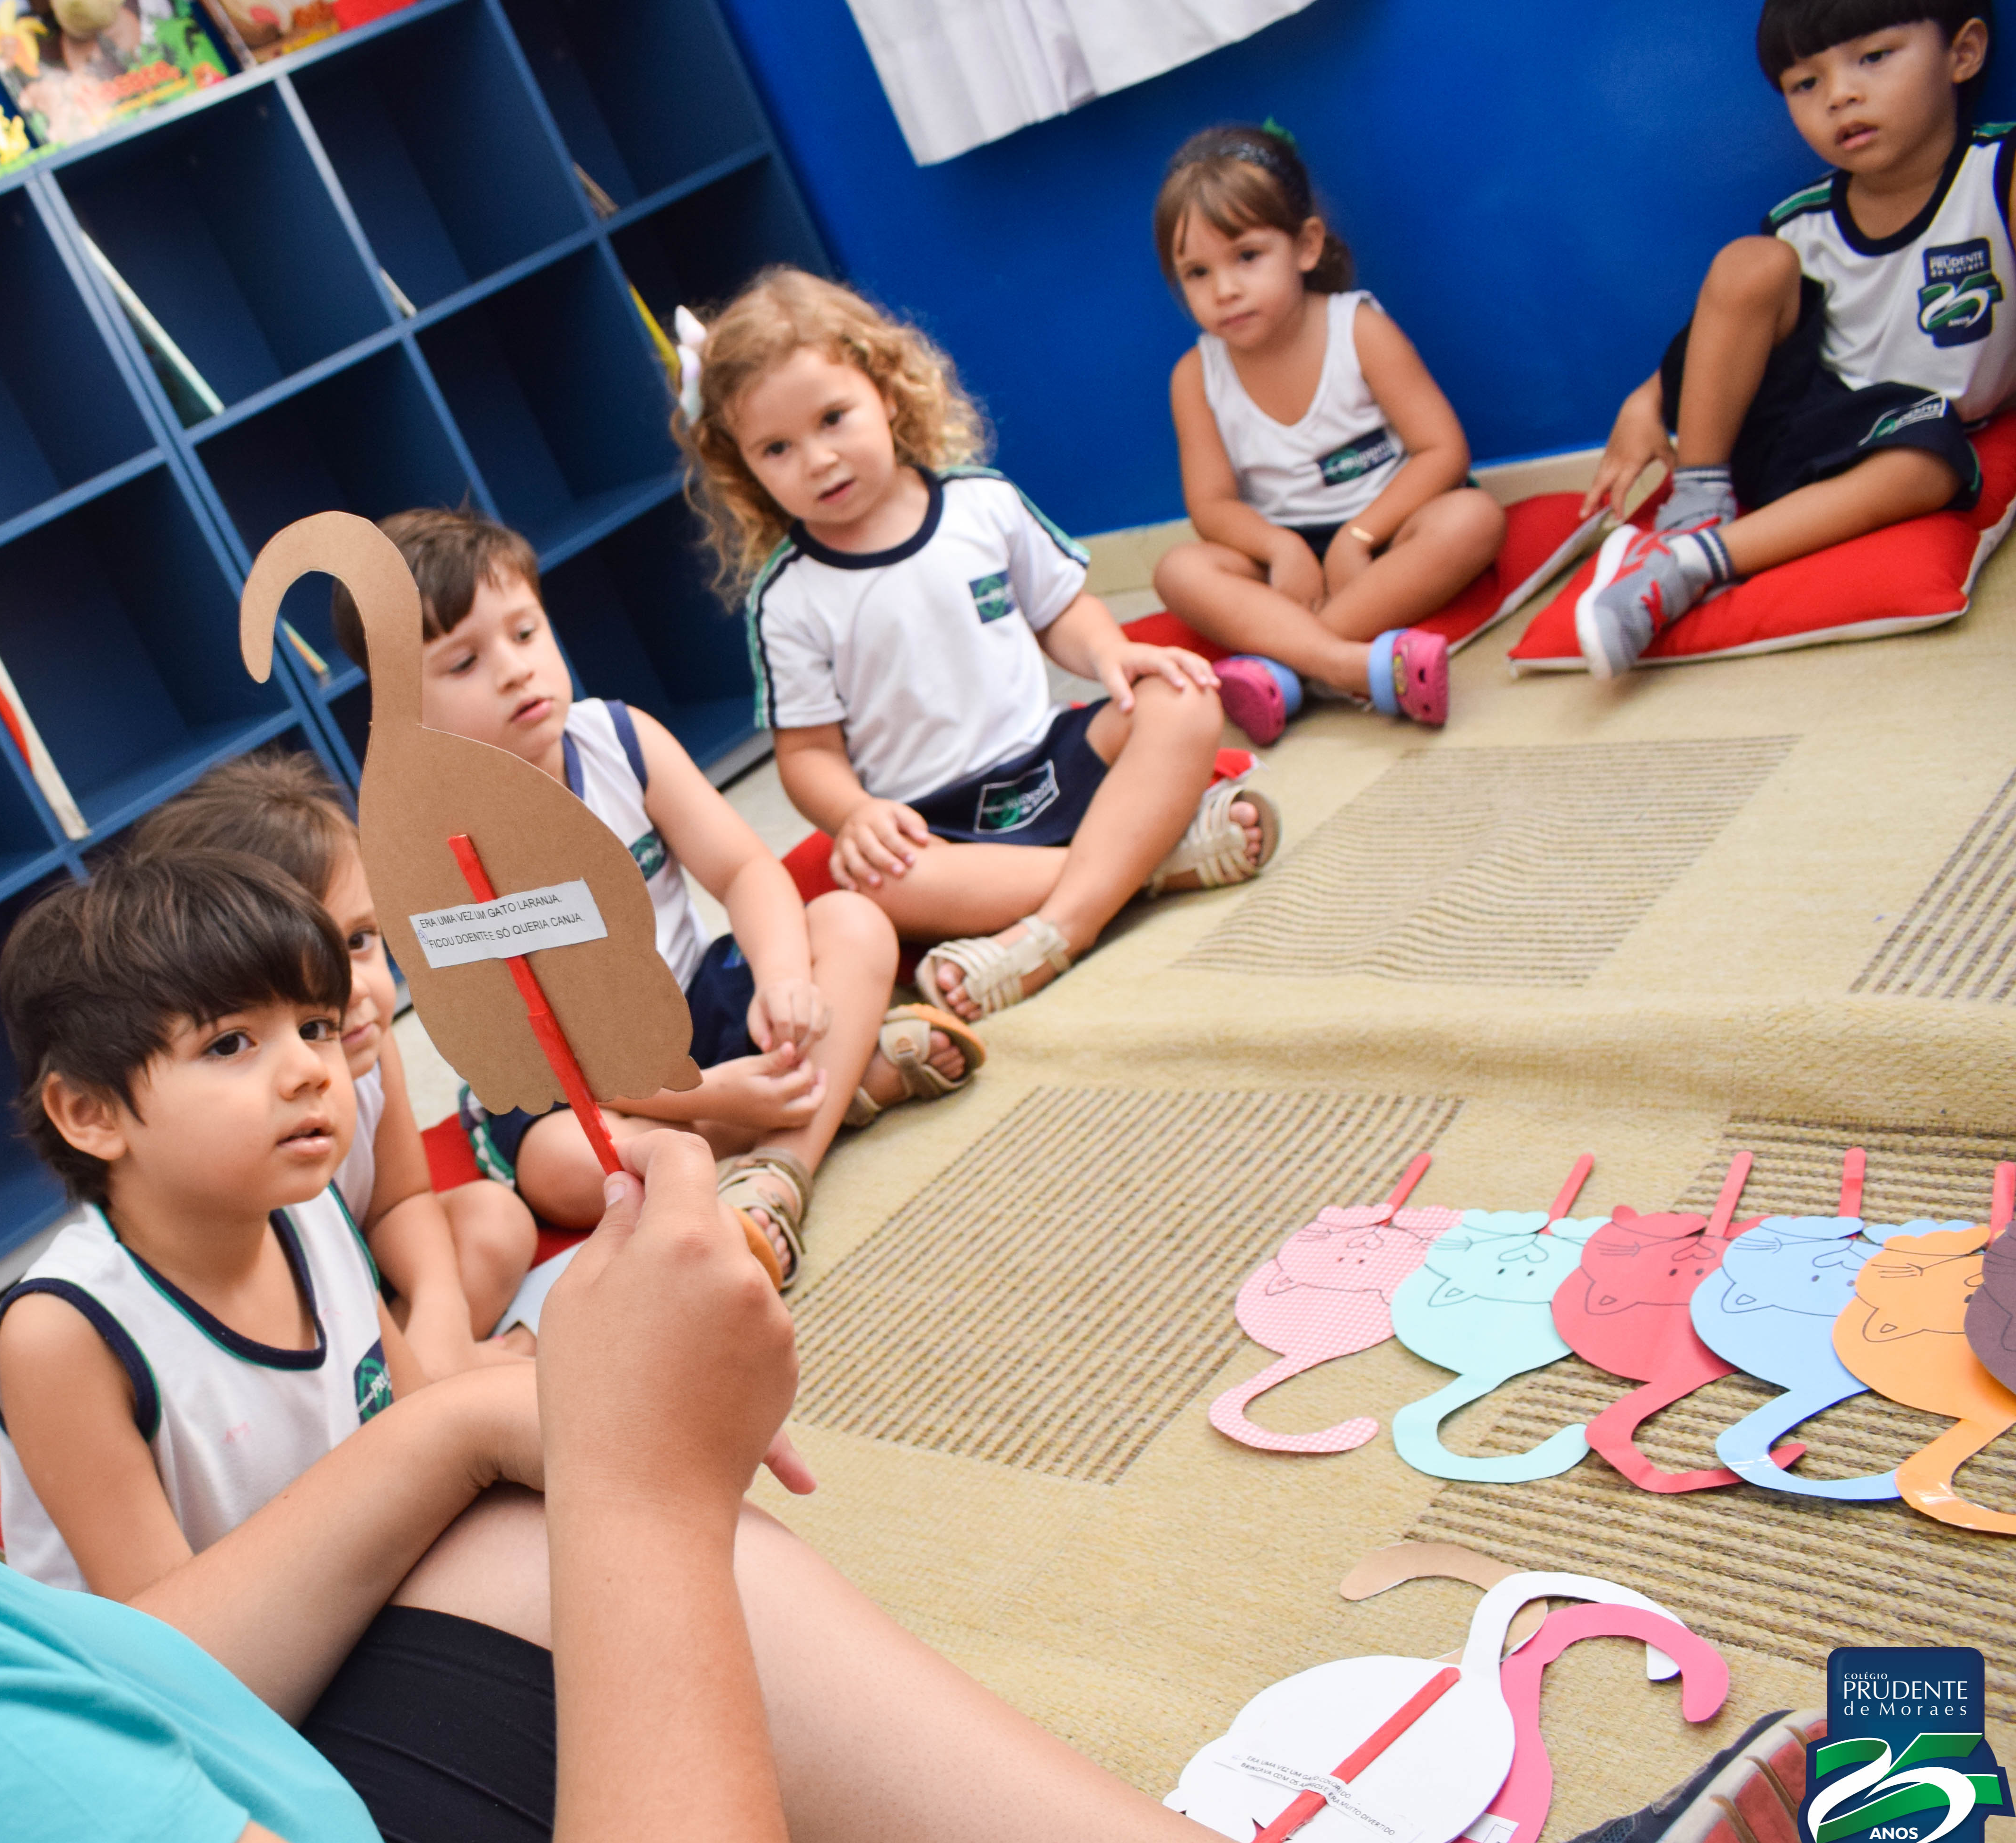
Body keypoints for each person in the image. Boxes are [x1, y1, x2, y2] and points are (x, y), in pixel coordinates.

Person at [0, 547, 1822, 1843]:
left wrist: (480, 1411)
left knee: (520, 1495)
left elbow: (133, 1670)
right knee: (598, 1533)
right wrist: (654, 1495)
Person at [329, 505, 984, 1285]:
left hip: (693, 1005)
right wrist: (710, 1094)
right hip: (572, 1083)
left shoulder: (618, 737)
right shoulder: (436, 857)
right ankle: (836, 1089)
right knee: (564, 1170)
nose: (514, 669)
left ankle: (773, 1167)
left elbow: (745, 871)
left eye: (526, 632)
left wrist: (781, 980)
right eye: (464, 663)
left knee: (851, 922)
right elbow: (545, 1052)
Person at [677, 267, 1278, 1026]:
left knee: (1183, 699)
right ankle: (1146, 864)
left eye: (834, 418)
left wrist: (1110, 656)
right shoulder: (789, 598)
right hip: (939, 828)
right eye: (777, 449)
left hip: (1056, 762)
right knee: (868, 886)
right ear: (747, 469)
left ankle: (1060, 923)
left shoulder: (982, 504)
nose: (818, 459)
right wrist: (856, 811)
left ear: (887, 395)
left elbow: (1062, 612)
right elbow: (807, 756)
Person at [0, 847, 447, 1595]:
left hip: (362, 1594)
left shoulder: (307, 1206)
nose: (310, 1071)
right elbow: (184, 1653)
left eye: (315, 1026)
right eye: (231, 1044)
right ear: (91, 1113)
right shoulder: (66, 1335)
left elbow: (423, 1418)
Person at [1573, 0, 2005, 678]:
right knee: (1751, 260)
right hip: (1786, 432)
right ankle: (1696, 506)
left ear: (1963, 53)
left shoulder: (1997, 177)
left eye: (1875, 57)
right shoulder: (1800, 223)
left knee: (1933, 457)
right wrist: (1646, 402)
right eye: (1806, 84)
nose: (1841, 96)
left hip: (1904, 441)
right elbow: (1724, 334)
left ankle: (1693, 563)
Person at [128, 752, 539, 1369]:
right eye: (304, 969)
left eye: (358, 941)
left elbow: (400, 1200)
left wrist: (440, 1314)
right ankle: (414, 1406)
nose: (355, 988)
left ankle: (424, 1386)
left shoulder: (368, 1043)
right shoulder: (244, 1116)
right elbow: (279, 1304)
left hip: (360, 1283)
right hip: (277, 1331)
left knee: (495, 1223)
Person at [1147, 125, 1504, 742]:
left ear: (1306, 246)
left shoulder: (1358, 328)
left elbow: (1442, 451)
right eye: (1197, 273)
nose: (1225, 290)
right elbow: (1211, 505)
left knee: (1474, 519)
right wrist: (1283, 550)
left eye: (1247, 257)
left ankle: (1286, 665)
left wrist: (1361, 536)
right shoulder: (1193, 376)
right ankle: (1345, 664)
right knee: (1179, 570)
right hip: (1284, 559)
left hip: (1388, 532)